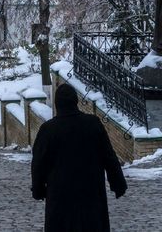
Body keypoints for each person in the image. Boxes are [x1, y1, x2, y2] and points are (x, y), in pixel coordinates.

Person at [31, 84, 127, 232]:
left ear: (57, 104)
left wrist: (38, 190)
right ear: (75, 101)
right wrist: (118, 183)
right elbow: (109, 156)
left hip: (60, 196)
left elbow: (38, 163)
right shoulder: (93, 124)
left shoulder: (48, 129)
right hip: (91, 194)